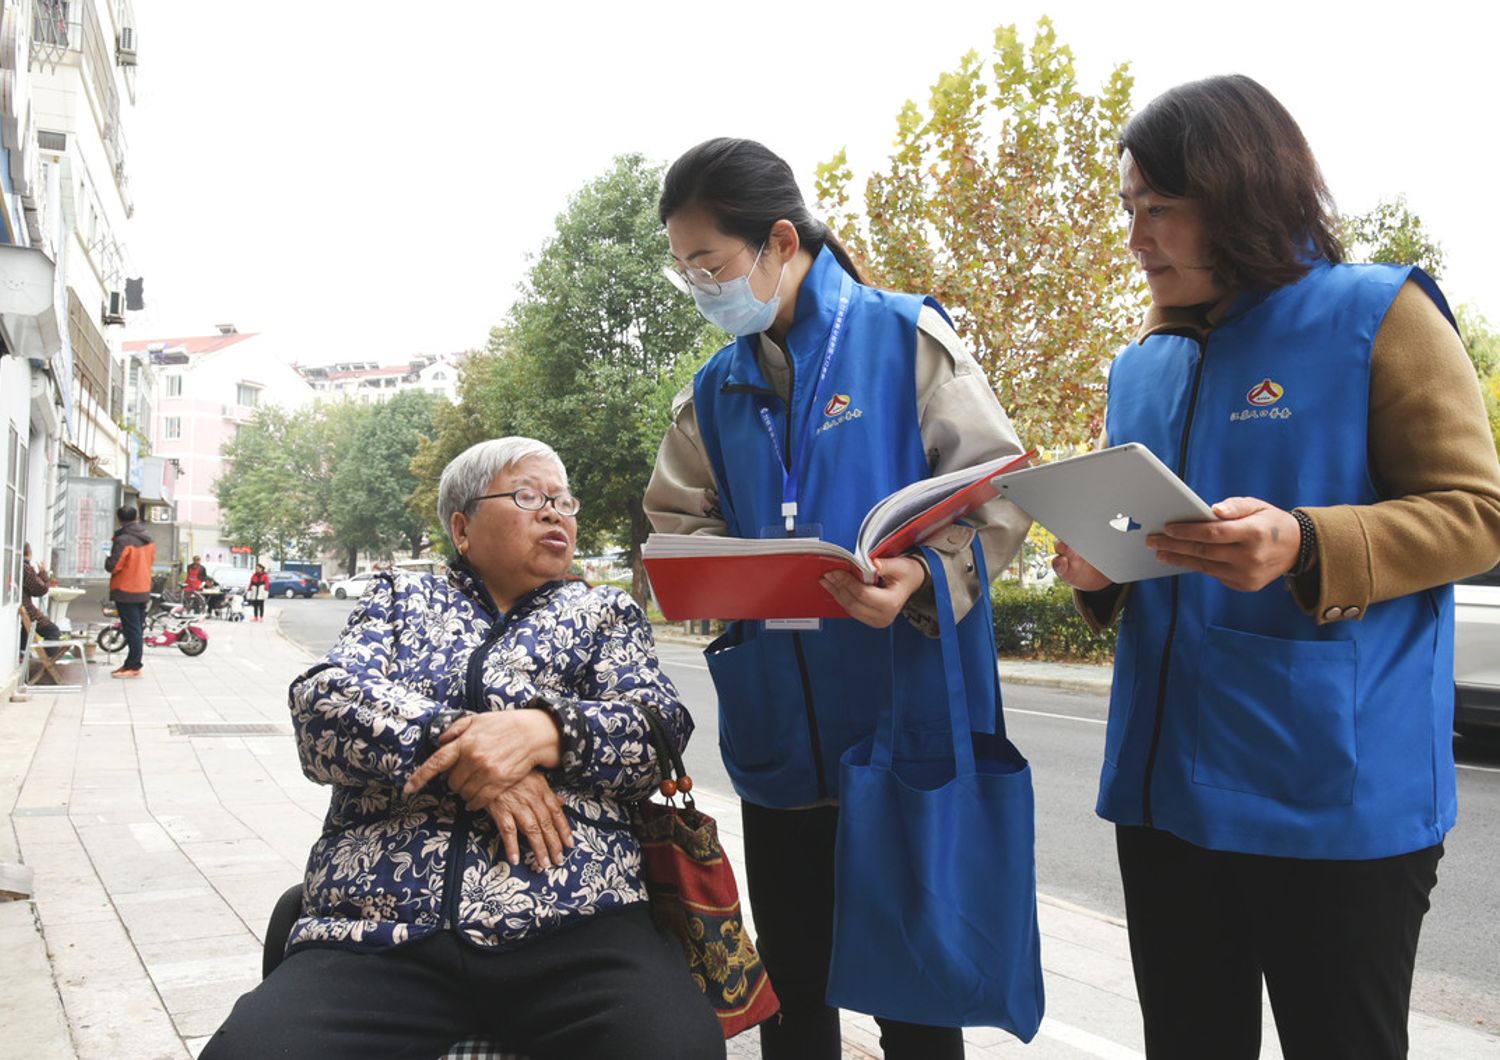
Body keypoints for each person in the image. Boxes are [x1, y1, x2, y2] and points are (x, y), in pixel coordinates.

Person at [1050, 75, 1500, 1060]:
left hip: (1334, 797)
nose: (1136, 236)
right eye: (1130, 207)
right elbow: (1142, 547)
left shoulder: (1379, 314)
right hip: (1167, 796)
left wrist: (1306, 542)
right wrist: (1097, 572)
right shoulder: (1142, 364)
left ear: (1244, 191)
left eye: (1160, 208)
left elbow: (1479, 513)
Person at [644, 138, 1030, 1060]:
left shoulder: (904, 339)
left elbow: (999, 496)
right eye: (686, 269)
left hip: (901, 718)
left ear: (780, 241)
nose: (702, 287)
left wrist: (925, 577)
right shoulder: (717, 388)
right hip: (781, 728)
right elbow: (671, 524)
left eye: (712, 264)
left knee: (917, 995)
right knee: (794, 990)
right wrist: (709, 574)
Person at [202, 437, 723, 1060]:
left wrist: (543, 732)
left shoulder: (604, 612)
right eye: (529, 496)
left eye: (564, 500)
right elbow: (322, 708)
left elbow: (656, 726)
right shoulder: (400, 600)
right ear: (462, 528)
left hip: (578, 923)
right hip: (381, 928)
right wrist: (464, 745)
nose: (555, 512)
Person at [104, 506, 155, 679]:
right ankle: (130, 663)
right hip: (143, 587)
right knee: (136, 628)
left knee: (132, 629)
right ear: (137, 517)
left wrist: (107, 559)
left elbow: (114, 565)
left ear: (119, 519)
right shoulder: (148, 538)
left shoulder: (123, 540)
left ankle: (134, 666)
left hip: (127, 589)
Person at [20, 543, 63, 654]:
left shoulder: (19, 566)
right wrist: (43, 572)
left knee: (26, 631)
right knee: (53, 631)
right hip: (28, 609)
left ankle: (25, 653)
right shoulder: (25, 567)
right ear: (29, 552)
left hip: (24, 607)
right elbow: (40, 589)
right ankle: (48, 660)